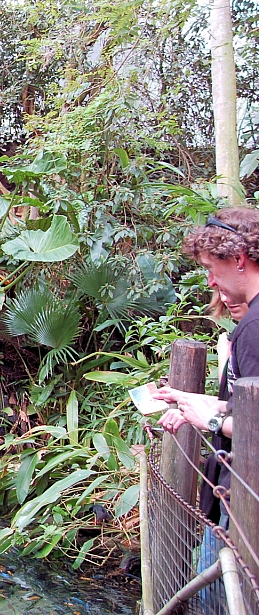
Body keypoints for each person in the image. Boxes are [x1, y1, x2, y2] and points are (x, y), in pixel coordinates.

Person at [154, 208, 259, 613]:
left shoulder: (252, 331)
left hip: (244, 512)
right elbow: (247, 406)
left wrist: (209, 419)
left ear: (239, 259)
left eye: (211, 270)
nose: (211, 283)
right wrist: (190, 401)